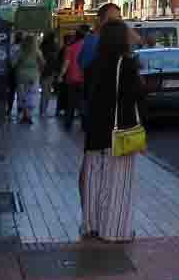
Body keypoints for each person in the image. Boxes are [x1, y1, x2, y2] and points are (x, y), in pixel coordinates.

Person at [80, 19, 145, 242]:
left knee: (94, 182)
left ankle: (91, 226)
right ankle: (115, 231)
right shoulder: (127, 64)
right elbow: (136, 96)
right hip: (119, 133)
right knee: (117, 183)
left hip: (94, 132)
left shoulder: (93, 64)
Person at [59, 27, 87, 128]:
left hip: (71, 79)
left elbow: (66, 64)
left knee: (70, 102)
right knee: (83, 101)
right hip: (84, 78)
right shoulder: (87, 47)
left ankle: (68, 123)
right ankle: (84, 124)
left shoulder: (70, 48)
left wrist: (60, 76)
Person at [13, 33, 42, 125]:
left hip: (21, 76)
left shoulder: (20, 51)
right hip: (33, 76)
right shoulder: (37, 51)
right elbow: (43, 62)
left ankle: (25, 114)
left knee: (23, 95)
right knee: (31, 95)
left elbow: (13, 63)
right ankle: (28, 115)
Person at [39, 32, 62, 118]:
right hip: (50, 71)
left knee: (44, 91)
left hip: (43, 71)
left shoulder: (42, 46)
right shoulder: (54, 47)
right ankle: (44, 110)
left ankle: (42, 110)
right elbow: (56, 60)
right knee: (47, 91)